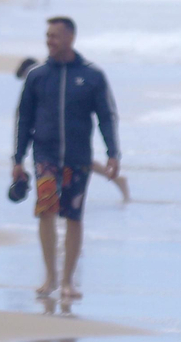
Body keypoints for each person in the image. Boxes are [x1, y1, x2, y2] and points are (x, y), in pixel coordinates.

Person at [12, 19, 120, 299]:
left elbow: (106, 116)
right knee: (45, 211)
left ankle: (69, 280)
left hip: (77, 158)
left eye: (55, 36)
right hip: (45, 156)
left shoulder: (92, 75)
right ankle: (50, 276)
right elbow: (23, 119)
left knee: (73, 216)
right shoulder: (37, 75)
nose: (50, 41)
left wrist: (113, 152)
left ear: (71, 37)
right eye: (47, 35)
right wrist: (17, 158)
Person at [15, 57, 129, 200]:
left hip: (65, 135)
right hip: (56, 139)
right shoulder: (45, 77)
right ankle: (116, 181)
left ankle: (118, 180)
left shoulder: (44, 77)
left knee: (84, 164)